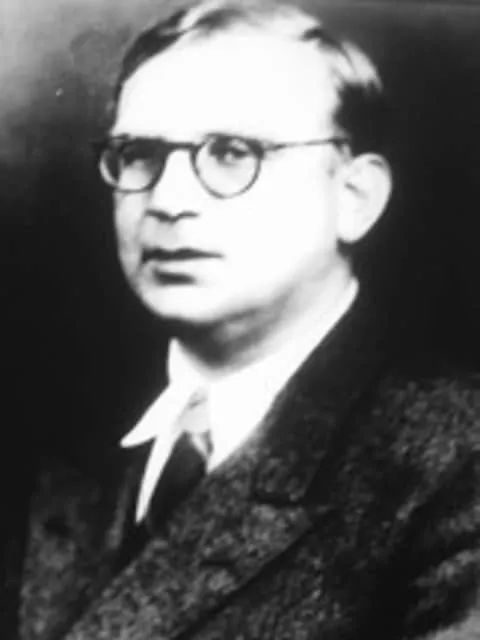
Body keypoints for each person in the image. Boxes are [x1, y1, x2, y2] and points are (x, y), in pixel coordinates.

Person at [6, 1, 480, 639]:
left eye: (232, 152)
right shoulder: (55, 438)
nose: (168, 199)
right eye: (139, 153)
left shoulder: (454, 463)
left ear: (354, 197)